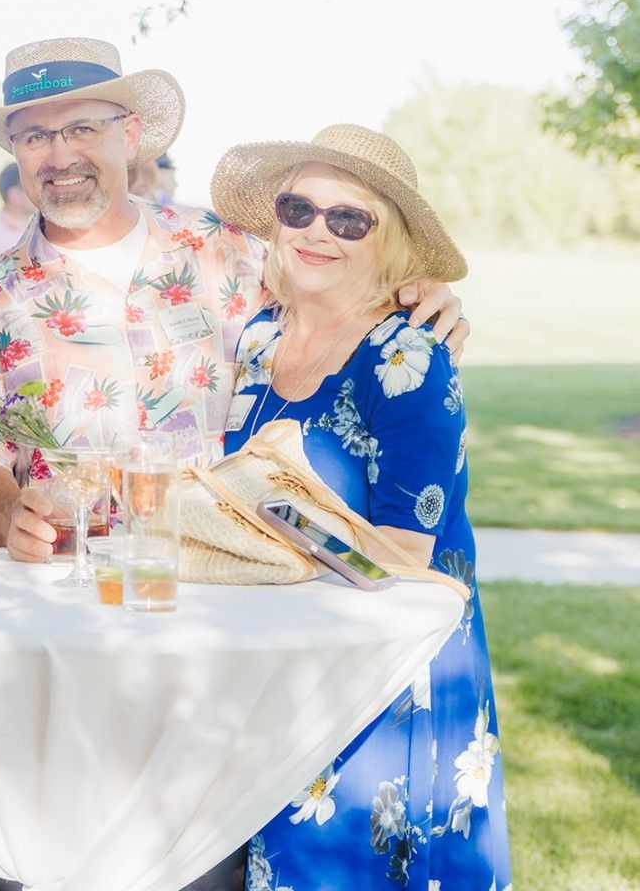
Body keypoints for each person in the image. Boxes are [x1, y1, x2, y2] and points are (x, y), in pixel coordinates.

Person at [0, 37, 467, 891]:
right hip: (63, 634)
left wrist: (423, 296)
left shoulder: (232, 254)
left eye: (82, 128)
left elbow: (346, 291)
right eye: (34, 137)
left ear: (132, 134)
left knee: (205, 867)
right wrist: (7, 511)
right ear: (13, 155)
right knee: (46, 862)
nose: (59, 155)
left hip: (218, 639)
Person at [211, 123, 510, 889]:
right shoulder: (255, 338)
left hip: (384, 675)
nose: (318, 232)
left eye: (350, 219)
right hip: (281, 662)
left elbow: (399, 557)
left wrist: (260, 522)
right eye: (299, 208)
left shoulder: (409, 351)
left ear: (391, 245)